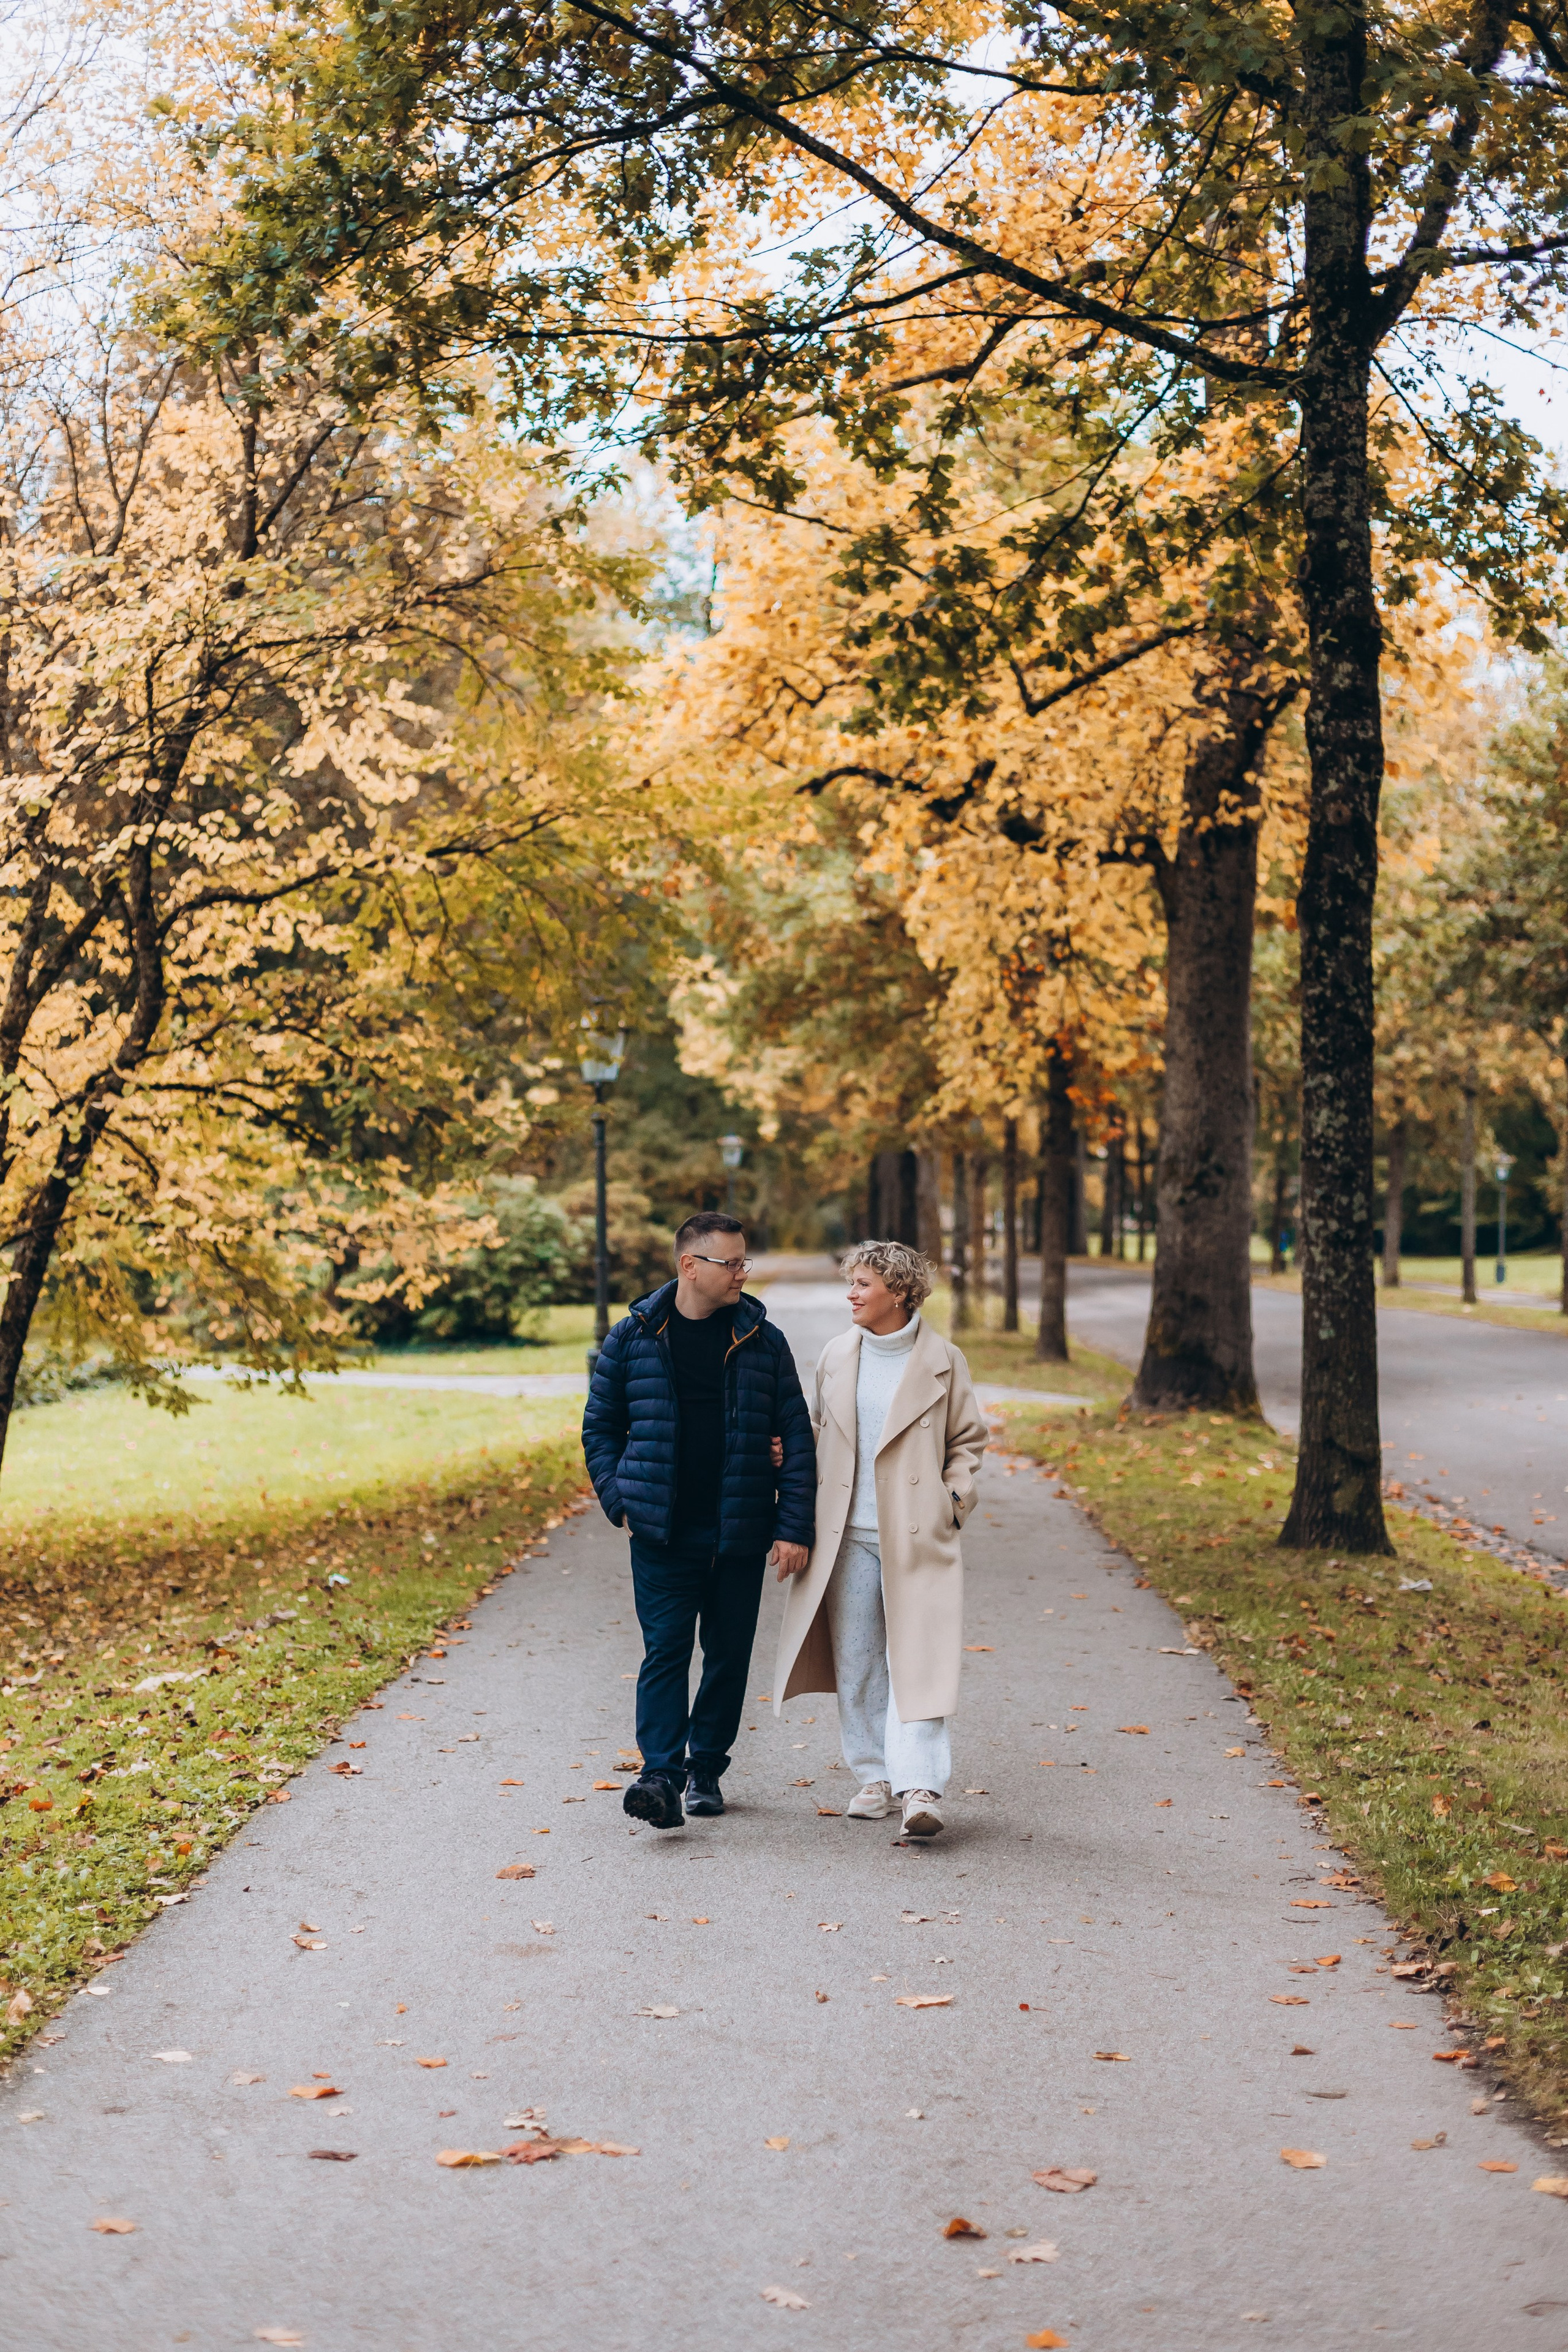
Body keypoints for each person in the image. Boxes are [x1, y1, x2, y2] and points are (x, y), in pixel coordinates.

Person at [582, 1211, 814, 1830]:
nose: (743, 1272)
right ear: (690, 1266)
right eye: (731, 1262)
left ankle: (705, 1765)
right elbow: (599, 1428)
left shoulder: (763, 1340)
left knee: (728, 1654)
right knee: (665, 1649)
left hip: (737, 1529)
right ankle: (661, 1773)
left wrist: (793, 1526)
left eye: (744, 1261)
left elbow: (794, 1437)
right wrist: (620, 1500)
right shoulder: (633, 1336)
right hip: (662, 1530)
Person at [772, 1240, 987, 1839]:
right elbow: (818, 1427)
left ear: (898, 1291)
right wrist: (791, 1456)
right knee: (859, 1662)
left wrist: (951, 1501)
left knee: (919, 1662)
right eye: (852, 1283)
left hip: (916, 1536)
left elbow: (968, 1441)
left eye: (863, 1284)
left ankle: (918, 1786)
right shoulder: (838, 1354)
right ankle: (873, 1776)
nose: (852, 1294)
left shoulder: (944, 1359)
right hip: (844, 1535)